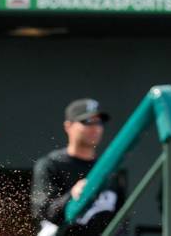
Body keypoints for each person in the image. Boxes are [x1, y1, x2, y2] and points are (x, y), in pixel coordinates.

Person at [31, 98, 124, 236]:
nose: (95, 127)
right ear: (68, 126)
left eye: (99, 122)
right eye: (87, 121)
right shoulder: (51, 165)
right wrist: (72, 195)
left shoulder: (109, 170)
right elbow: (43, 213)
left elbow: (120, 220)